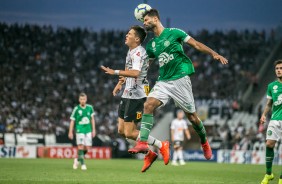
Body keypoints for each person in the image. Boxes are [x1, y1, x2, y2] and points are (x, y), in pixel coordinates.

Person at [129, 9, 228, 162]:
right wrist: (131, 77)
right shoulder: (151, 45)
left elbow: (195, 44)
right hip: (163, 81)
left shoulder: (175, 33)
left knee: (193, 118)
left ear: (155, 19)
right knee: (148, 105)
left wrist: (213, 53)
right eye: (143, 21)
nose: (144, 23)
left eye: (147, 20)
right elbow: (146, 66)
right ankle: (142, 143)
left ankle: (204, 141)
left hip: (180, 79)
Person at [101, 25, 169, 172]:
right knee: (121, 131)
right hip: (127, 94)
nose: (126, 35)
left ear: (137, 39)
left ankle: (161, 145)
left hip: (137, 96)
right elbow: (129, 70)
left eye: (129, 33)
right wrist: (120, 83)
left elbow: (136, 73)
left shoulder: (139, 52)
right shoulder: (131, 51)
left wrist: (115, 72)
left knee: (130, 132)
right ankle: (150, 153)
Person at [260, 60, 282, 184]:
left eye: (281, 68)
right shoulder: (271, 86)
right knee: (269, 144)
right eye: (277, 68)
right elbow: (269, 104)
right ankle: (268, 174)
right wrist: (263, 115)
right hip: (275, 119)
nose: (278, 70)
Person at [68, 93, 96, 170]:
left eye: (84, 99)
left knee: (87, 147)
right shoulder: (76, 109)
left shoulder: (90, 108)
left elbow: (92, 119)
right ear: (79, 100)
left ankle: (77, 159)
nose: (82, 101)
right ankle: (83, 164)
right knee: (80, 146)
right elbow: (72, 121)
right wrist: (70, 132)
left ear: (86, 99)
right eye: (81, 99)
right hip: (79, 130)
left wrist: (94, 130)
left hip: (88, 130)